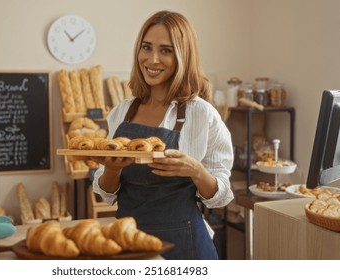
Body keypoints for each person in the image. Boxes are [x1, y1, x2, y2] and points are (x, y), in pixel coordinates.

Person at [91, 10, 234, 260]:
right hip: (128, 243)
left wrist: (196, 171)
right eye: (146, 47)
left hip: (185, 246)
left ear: (182, 57)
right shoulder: (122, 112)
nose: (152, 59)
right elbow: (106, 192)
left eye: (166, 50)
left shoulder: (201, 114)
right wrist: (112, 170)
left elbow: (219, 197)